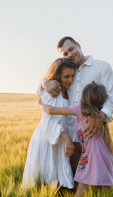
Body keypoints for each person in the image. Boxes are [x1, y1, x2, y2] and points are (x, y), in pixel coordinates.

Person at [42, 36, 113, 175]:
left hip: (93, 131)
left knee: (97, 174)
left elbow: (111, 97)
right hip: (69, 133)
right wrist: (44, 84)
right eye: (65, 53)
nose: (70, 54)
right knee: (74, 175)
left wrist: (100, 118)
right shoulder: (66, 71)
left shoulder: (102, 67)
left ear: (78, 45)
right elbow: (44, 86)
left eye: (71, 49)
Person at [38, 82, 113, 197]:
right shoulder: (100, 116)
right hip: (105, 156)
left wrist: (40, 104)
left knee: (82, 186)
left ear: (85, 97)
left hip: (90, 156)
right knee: (102, 192)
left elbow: (50, 110)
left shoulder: (80, 109)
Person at [21, 58, 76, 189]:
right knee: (42, 181)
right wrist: (65, 136)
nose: (70, 80)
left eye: (73, 75)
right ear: (57, 76)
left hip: (58, 138)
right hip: (47, 139)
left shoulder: (66, 90)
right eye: (66, 76)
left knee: (55, 182)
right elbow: (48, 121)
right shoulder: (52, 92)